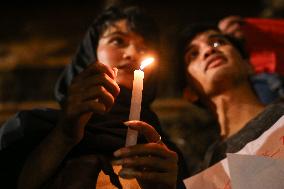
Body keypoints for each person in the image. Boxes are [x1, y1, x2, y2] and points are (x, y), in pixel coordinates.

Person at [0, 6, 187, 189]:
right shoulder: (30, 129)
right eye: (118, 41)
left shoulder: (163, 154)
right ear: (89, 53)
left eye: (144, 48)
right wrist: (64, 135)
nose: (132, 54)